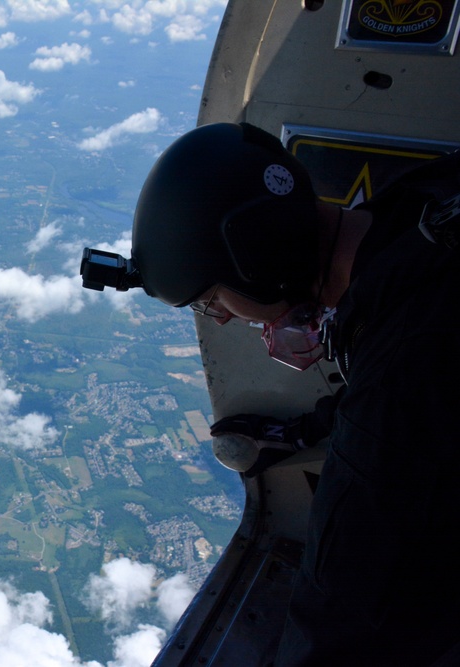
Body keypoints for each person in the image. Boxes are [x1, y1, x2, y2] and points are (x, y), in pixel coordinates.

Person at [81, 122, 460, 665]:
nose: (227, 318)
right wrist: (303, 431)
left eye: (215, 300)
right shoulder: (424, 207)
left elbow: (341, 624)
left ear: (255, 259)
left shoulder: (401, 377)